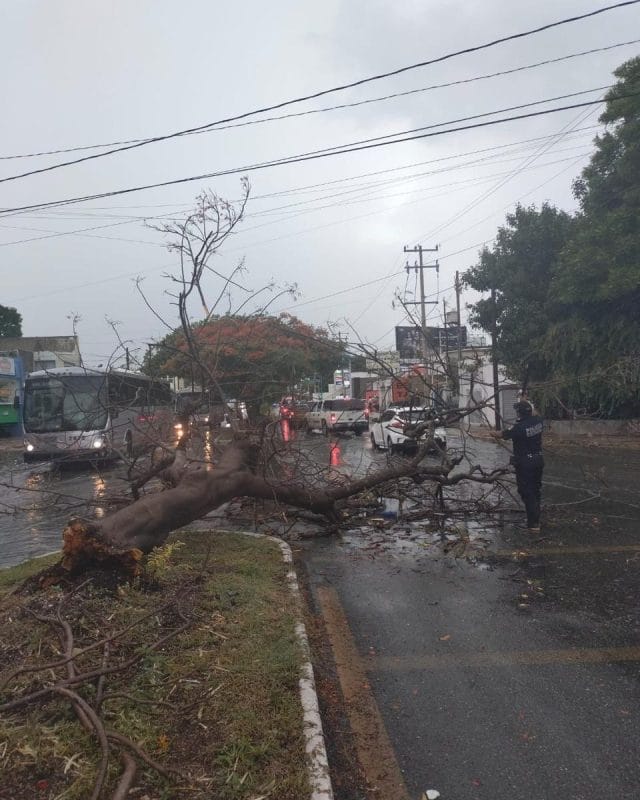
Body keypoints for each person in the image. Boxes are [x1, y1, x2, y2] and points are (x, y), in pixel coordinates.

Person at [491, 399, 544, 532]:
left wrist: (490, 432)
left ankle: (533, 524)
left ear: (519, 413)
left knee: (526, 492)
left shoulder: (518, 428)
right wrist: (526, 401)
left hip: (525, 463)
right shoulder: (538, 421)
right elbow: (535, 412)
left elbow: (502, 435)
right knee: (536, 490)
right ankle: (536, 519)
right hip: (538, 460)